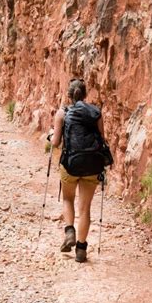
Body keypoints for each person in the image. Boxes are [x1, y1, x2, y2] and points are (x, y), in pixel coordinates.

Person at [49, 78, 105, 262]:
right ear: (85, 94)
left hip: (70, 165)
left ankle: (69, 231)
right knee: (85, 207)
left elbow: (56, 143)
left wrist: (50, 137)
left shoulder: (62, 113)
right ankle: (81, 249)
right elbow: (102, 140)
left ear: (69, 95)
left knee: (68, 198)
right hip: (92, 165)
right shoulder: (96, 113)